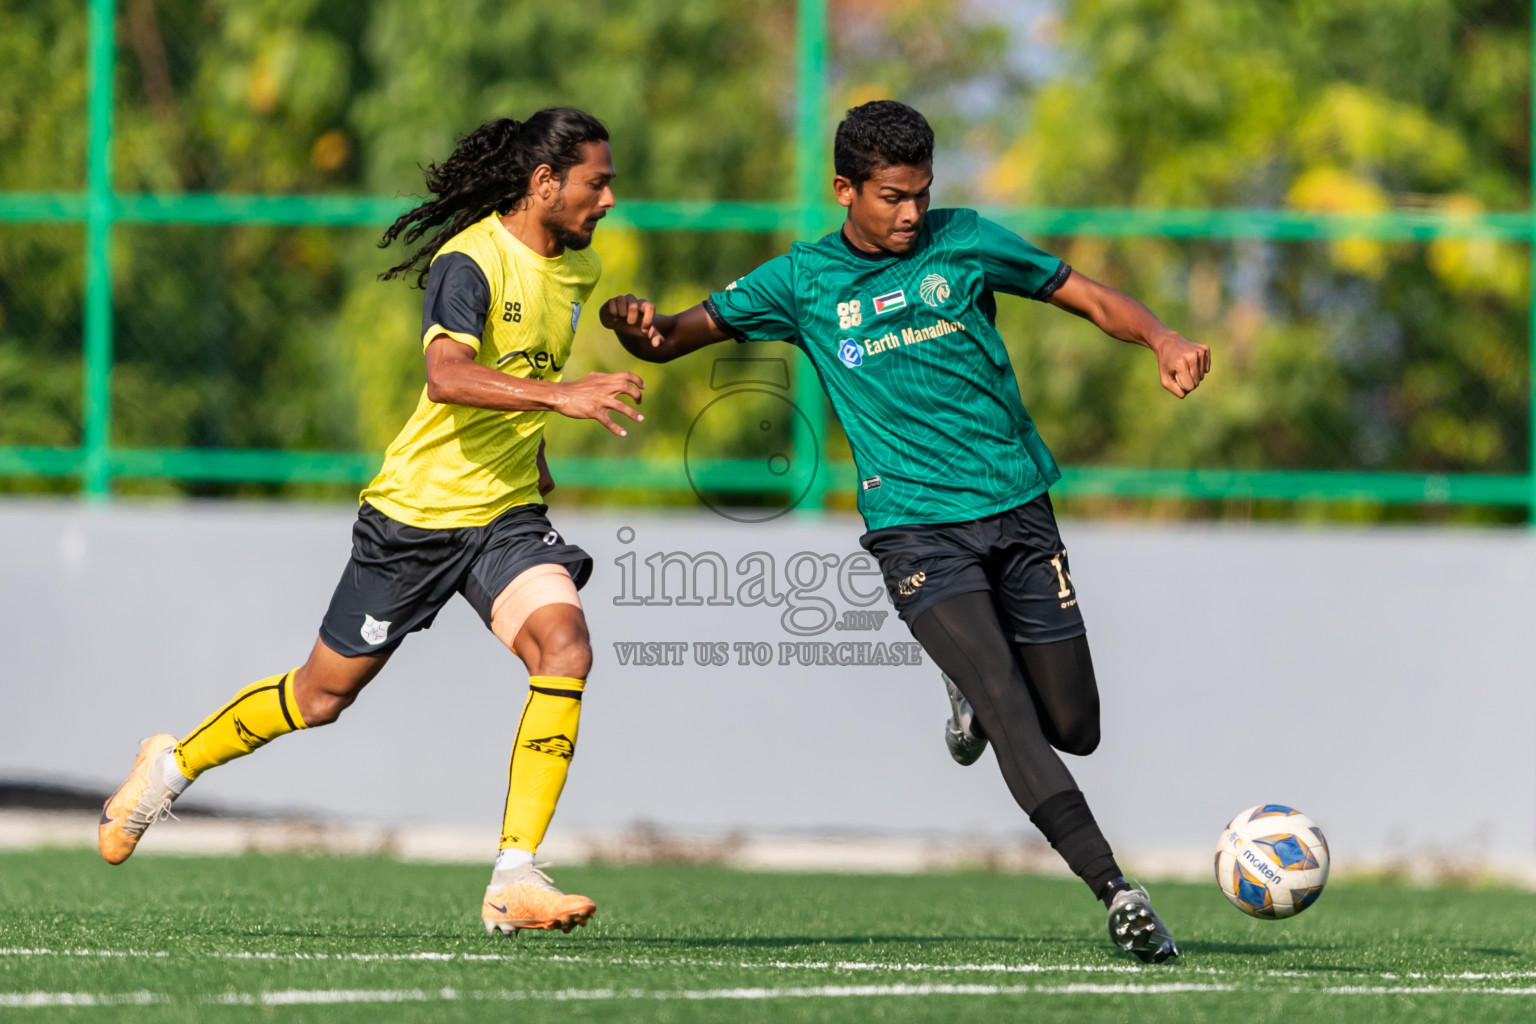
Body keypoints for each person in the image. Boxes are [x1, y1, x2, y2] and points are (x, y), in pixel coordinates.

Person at [599, 100, 1208, 963]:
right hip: (916, 530)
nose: (912, 214)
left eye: (922, 194)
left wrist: (1160, 335)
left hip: (1017, 506)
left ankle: (968, 693)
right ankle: (1118, 892)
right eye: (892, 197)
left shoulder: (963, 241)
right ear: (845, 188)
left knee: (1074, 724)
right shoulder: (802, 281)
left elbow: (1083, 294)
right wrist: (640, 330)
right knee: (1006, 701)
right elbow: (675, 337)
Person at [99, 107, 646, 938]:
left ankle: (514, 875)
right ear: (545, 183)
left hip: (502, 516)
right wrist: (559, 398)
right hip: (414, 518)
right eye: (596, 182)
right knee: (320, 699)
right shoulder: (470, 261)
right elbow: (448, 375)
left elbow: (522, 366)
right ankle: (167, 769)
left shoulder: (578, 271)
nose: (608, 199)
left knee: (565, 647)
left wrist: (537, 442)